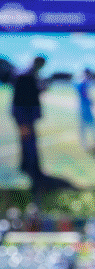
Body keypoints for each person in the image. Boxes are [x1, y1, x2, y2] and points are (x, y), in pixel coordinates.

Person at [11, 56, 49, 187]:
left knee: (26, 140)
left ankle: (25, 166)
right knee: (29, 141)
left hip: (24, 114)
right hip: (24, 115)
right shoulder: (27, 74)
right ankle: (33, 170)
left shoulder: (29, 74)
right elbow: (26, 95)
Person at [75, 68, 95, 152]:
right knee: (91, 125)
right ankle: (94, 142)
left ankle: (86, 143)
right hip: (85, 107)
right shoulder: (83, 82)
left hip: (82, 107)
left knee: (84, 126)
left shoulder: (80, 82)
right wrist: (92, 101)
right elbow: (85, 95)